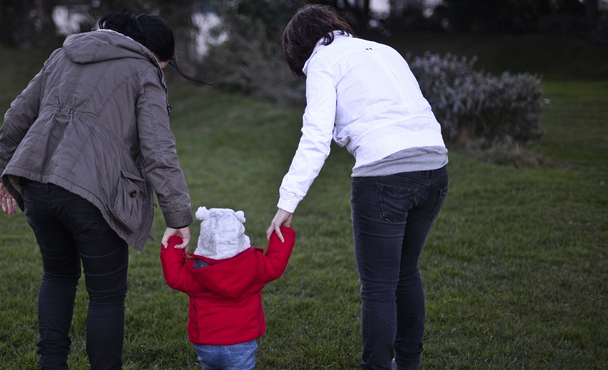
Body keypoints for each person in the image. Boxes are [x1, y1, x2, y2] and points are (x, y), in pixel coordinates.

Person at [0, 10, 199, 370]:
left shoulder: (62, 55)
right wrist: (178, 216)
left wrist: (3, 173)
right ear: (154, 55)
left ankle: (51, 364)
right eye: (164, 67)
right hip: (94, 196)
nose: (162, 73)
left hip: (37, 186)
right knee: (106, 296)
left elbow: (15, 117)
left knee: (57, 277)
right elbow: (158, 149)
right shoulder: (143, 70)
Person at [266, 5, 449, 370]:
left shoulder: (322, 62)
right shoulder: (384, 50)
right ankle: (409, 364)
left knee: (380, 287)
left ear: (299, 46)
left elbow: (315, 136)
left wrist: (287, 202)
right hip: (435, 167)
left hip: (384, 176)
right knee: (405, 271)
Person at [161, 206, 296, 370]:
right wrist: (283, 231)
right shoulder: (256, 265)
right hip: (242, 344)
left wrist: (175, 241)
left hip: (205, 344)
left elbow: (173, 276)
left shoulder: (195, 271)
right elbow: (276, 263)